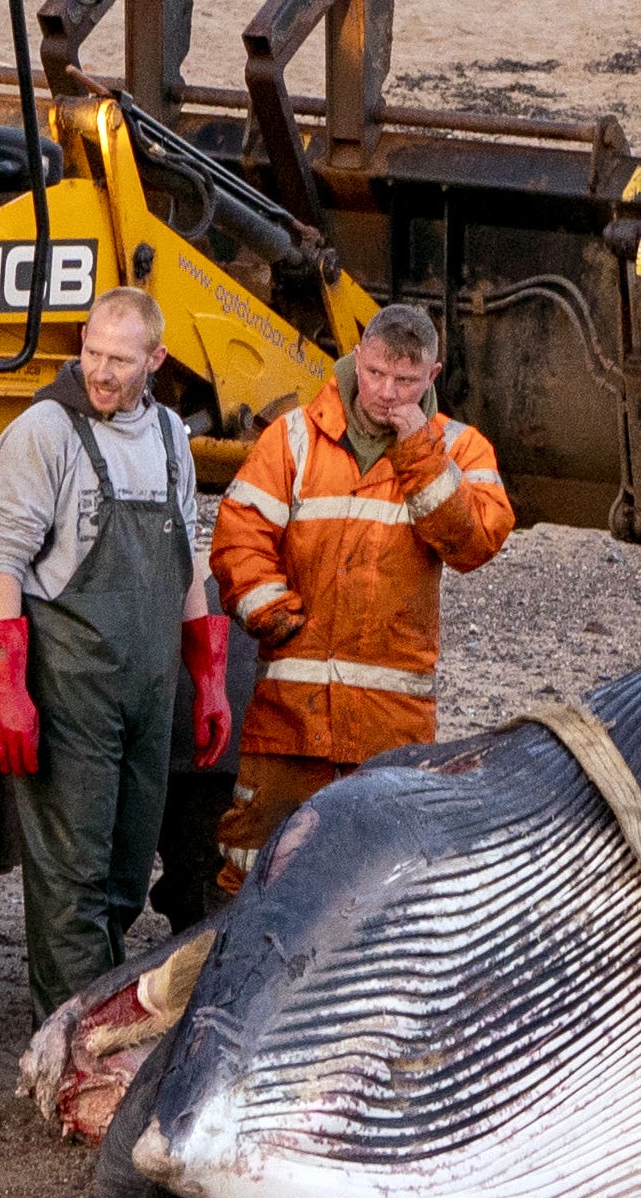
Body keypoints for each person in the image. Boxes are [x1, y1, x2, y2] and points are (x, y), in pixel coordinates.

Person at [0, 285, 236, 1017]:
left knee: (125, 873)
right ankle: (72, 1047)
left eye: (119, 359)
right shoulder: (43, 434)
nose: (100, 370)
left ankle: (92, 1021)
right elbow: (4, 565)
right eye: (92, 351)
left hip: (148, 692)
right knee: (74, 882)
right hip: (72, 692)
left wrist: (208, 678)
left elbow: (184, 558)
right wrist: (8, 690)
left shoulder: (171, 441)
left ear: (155, 358)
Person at [206, 300, 516, 898]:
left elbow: (475, 543)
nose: (386, 393)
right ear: (356, 358)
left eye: (405, 381)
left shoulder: (458, 448)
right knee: (251, 872)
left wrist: (418, 452)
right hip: (288, 719)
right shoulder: (295, 437)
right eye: (375, 373)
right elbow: (239, 531)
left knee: (377, 888)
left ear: (433, 375)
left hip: (388, 728)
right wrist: (269, 610)